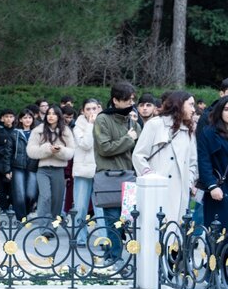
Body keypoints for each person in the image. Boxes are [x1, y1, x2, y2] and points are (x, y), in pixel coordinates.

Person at [93, 81, 141, 267]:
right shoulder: (102, 119)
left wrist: (135, 131)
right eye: (127, 100)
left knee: (128, 220)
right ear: (115, 100)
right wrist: (129, 138)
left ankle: (126, 257)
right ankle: (114, 258)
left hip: (129, 177)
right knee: (112, 220)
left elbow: (140, 149)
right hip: (110, 177)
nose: (131, 103)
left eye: (132, 99)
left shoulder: (132, 121)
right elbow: (104, 148)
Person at [133, 91, 197, 225]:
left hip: (181, 193)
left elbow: (193, 162)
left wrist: (188, 181)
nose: (193, 109)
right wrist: (150, 177)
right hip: (156, 190)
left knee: (175, 234)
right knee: (155, 233)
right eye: (190, 105)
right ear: (179, 104)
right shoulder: (155, 124)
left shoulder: (189, 129)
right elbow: (139, 155)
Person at [27, 105, 75, 238]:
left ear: (59, 116)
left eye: (54, 114)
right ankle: (44, 228)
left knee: (57, 200)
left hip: (59, 169)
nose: (51, 116)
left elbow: (71, 152)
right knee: (45, 196)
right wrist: (47, 149)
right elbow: (30, 151)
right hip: (43, 169)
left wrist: (60, 150)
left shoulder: (66, 131)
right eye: (49, 113)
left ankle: (52, 226)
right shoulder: (38, 131)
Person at [70, 99, 103, 248]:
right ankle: (80, 238)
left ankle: (104, 239)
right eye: (88, 109)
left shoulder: (104, 123)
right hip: (83, 170)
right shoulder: (78, 127)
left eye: (94, 108)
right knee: (81, 207)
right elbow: (86, 144)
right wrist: (90, 125)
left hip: (100, 168)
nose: (91, 112)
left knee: (101, 207)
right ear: (83, 111)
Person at [197, 96, 228, 226]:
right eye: (226, 109)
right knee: (218, 233)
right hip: (219, 187)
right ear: (220, 111)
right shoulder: (209, 132)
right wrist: (212, 185)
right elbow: (204, 161)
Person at [10, 108, 38, 221]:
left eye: (30, 117)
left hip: (33, 166)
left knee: (31, 193)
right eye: (25, 117)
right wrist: (7, 169)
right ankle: (21, 217)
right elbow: (9, 151)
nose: (27, 120)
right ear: (20, 119)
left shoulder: (36, 133)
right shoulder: (15, 133)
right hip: (17, 166)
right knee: (19, 193)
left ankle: (28, 211)